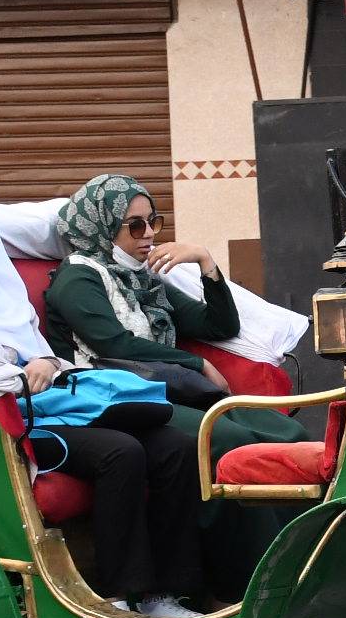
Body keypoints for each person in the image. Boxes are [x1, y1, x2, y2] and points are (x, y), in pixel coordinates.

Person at [0, 182, 205, 618]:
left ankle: (169, 593)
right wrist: (12, 373)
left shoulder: (0, 285)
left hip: (52, 404)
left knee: (173, 446)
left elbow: (36, 345)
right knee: (119, 452)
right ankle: (118, 593)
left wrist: (44, 360)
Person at [42, 173, 302, 454]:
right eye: (136, 226)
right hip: (112, 394)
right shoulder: (78, 277)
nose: (151, 233)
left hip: (167, 389)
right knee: (228, 439)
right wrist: (197, 364)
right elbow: (116, 345)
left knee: (289, 432)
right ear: (104, 226)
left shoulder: (143, 278)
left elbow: (221, 326)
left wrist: (206, 262)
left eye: (153, 221)